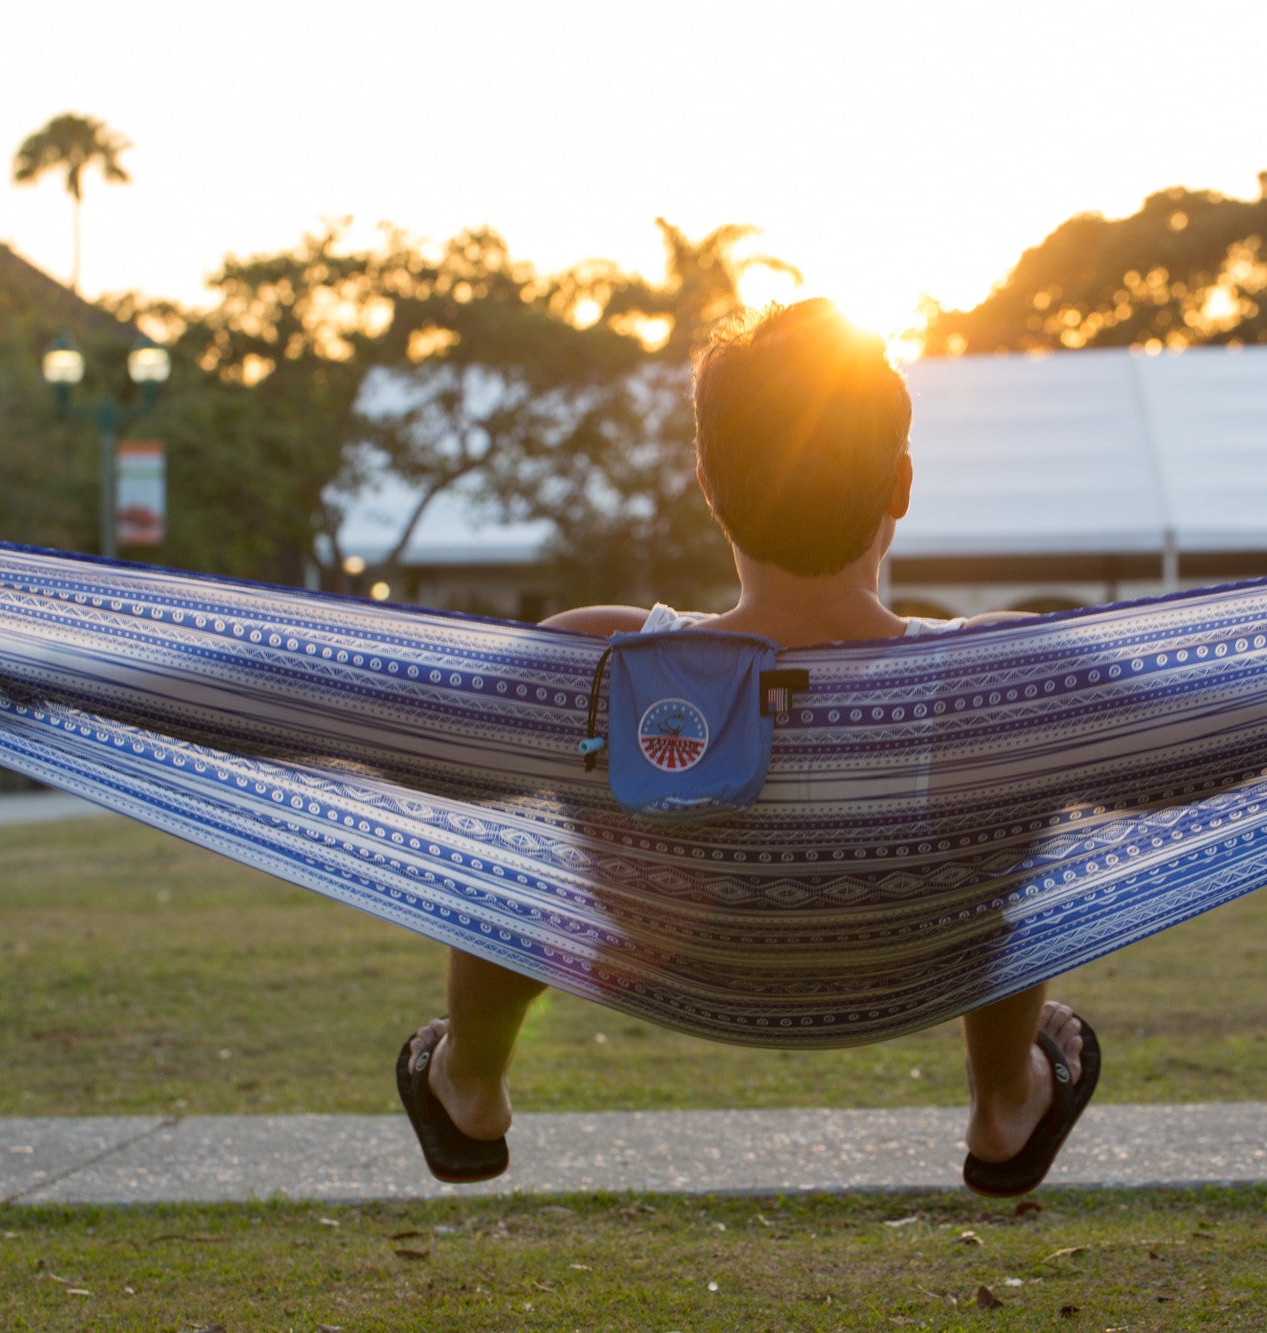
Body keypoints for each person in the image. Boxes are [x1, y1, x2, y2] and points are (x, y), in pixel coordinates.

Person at [398, 299, 1097, 1196]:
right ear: (901, 485)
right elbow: (1211, 762)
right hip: (916, 957)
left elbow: (410, 756)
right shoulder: (1009, 675)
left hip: (671, 957)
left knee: (510, 840)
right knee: (1008, 794)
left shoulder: (597, 658)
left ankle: (469, 1081)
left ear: (708, 484)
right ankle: (1007, 1096)